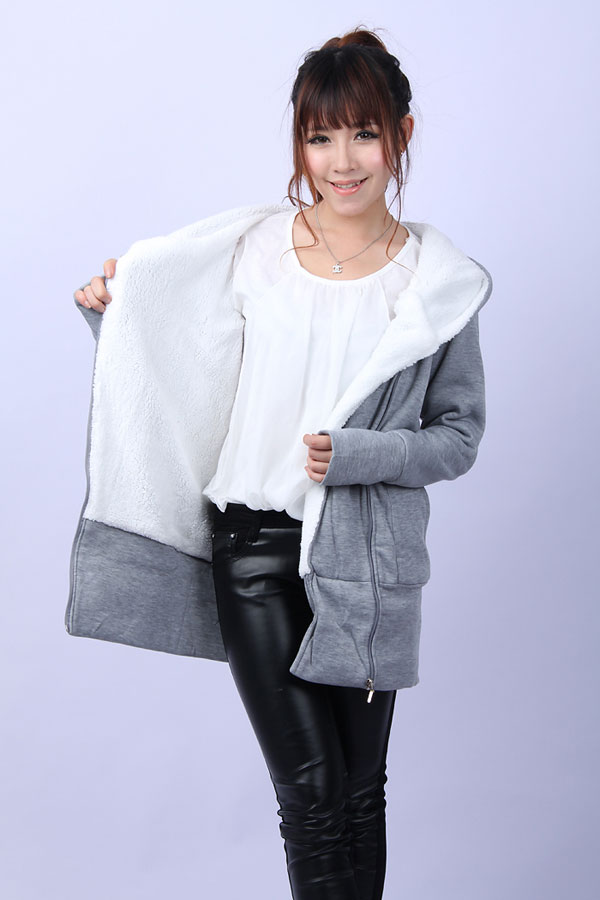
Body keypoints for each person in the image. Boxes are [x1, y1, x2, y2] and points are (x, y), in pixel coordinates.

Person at [71, 27, 492, 900]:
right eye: (320, 136)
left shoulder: (438, 284)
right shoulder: (255, 249)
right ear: (301, 145)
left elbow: (457, 435)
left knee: (360, 793)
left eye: (364, 133)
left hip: (369, 562)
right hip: (256, 551)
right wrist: (115, 312)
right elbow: (177, 361)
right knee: (312, 794)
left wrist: (360, 454)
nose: (343, 160)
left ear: (401, 135)